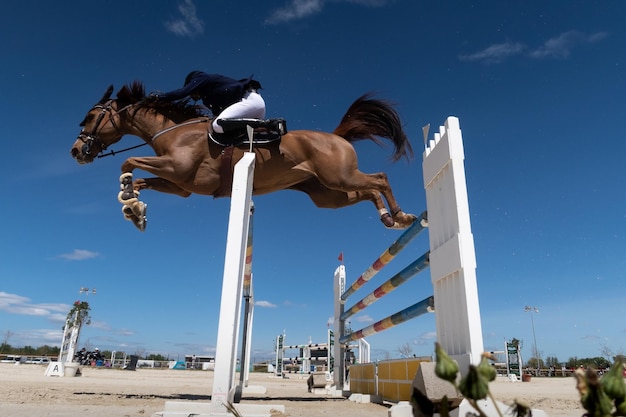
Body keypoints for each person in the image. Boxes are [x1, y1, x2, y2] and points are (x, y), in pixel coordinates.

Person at [151, 71, 266, 134]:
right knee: (220, 128)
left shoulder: (201, 77)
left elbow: (183, 92)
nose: (193, 96)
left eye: (192, 92)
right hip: (252, 109)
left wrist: (160, 97)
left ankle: (264, 125)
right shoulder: (208, 99)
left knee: (218, 124)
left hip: (250, 101)